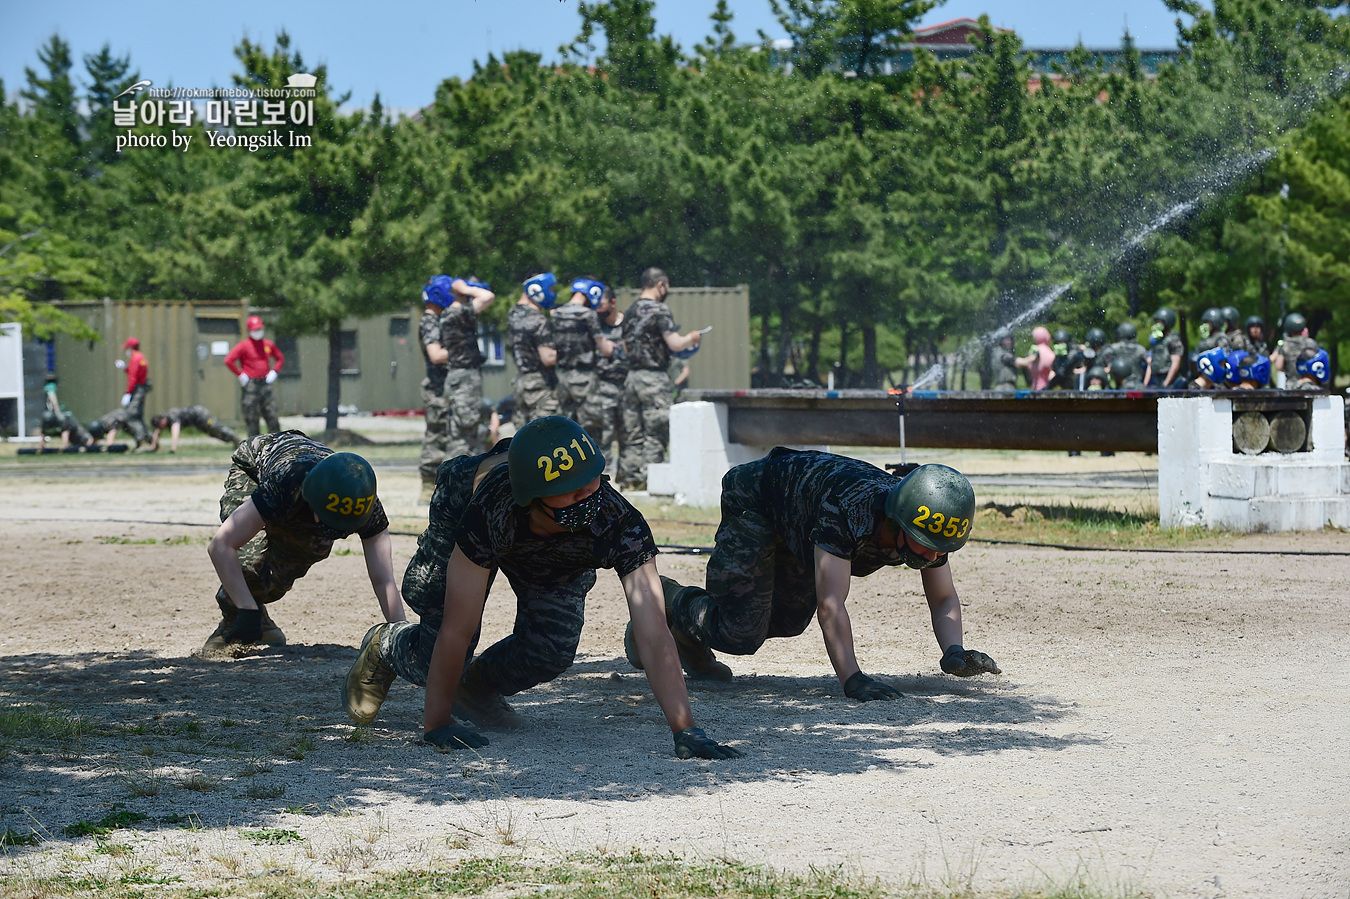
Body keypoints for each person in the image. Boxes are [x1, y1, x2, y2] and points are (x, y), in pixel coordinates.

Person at [341, 416, 741, 760]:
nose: (590, 497)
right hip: (470, 505)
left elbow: (653, 633)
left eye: (594, 483)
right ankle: (387, 644)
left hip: (556, 547)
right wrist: (437, 725)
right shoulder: (490, 511)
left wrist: (686, 729)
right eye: (574, 492)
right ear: (535, 499)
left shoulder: (618, 522)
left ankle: (476, 691)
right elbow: (457, 629)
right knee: (439, 645)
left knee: (550, 648)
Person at [643, 450, 999, 699]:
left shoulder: (926, 530)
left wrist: (954, 651)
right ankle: (666, 600)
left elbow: (943, 597)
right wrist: (853, 679)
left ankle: (682, 633)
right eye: (926, 545)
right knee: (741, 633)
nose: (934, 556)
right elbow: (831, 604)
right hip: (757, 500)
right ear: (899, 521)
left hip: (802, 521)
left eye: (941, 549)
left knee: (788, 621)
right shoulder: (848, 510)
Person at [203, 432, 406, 651]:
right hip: (256, 465)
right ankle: (235, 620)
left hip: (304, 479)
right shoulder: (286, 482)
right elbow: (221, 545)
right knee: (249, 559)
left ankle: (259, 616)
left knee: (303, 554)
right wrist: (245, 610)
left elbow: (384, 580)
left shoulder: (366, 505)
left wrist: (400, 635)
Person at [618, 268, 703, 489]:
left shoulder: (629, 310)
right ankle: (652, 482)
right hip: (654, 379)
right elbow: (675, 344)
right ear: (660, 285)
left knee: (633, 432)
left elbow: (625, 347)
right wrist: (692, 338)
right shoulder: (660, 310)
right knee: (656, 432)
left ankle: (632, 480)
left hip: (632, 378)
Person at [440, 275, 496, 462]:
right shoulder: (457, 313)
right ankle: (461, 477)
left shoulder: (452, 315)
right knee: (466, 435)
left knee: (460, 433)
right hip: (465, 377)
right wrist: (464, 288)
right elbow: (488, 297)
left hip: (459, 376)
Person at [551, 277, 615, 424]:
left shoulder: (557, 314)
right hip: (584, 378)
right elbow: (605, 350)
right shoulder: (588, 315)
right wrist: (610, 346)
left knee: (565, 427)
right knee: (591, 428)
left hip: (561, 377)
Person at [417, 277, 454, 498]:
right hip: (437, 388)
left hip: (445, 387)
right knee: (436, 435)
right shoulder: (430, 321)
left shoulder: (438, 320)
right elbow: (436, 355)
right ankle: (427, 484)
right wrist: (462, 350)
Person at [510, 273, 562, 426]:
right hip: (539, 385)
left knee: (525, 434)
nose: (552, 294)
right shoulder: (539, 320)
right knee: (546, 434)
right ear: (536, 290)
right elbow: (548, 358)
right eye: (550, 289)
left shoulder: (513, 314)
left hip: (520, 381)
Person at [224, 316, 285, 438]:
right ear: (249, 331)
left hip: (265, 384)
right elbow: (229, 360)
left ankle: (277, 446)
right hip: (251, 385)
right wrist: (240, 374)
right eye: (255, 330)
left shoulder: (268, 344)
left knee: (272, 416)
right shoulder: (244, 346)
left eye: (259, 329)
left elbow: (280, 358)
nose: (258, 332)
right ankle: (255, 449)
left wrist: (274, 372)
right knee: (252, 418)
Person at [590, 285, 628, 465]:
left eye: (601, 304)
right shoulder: (595, 326)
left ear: (613, 302)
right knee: (603, 436)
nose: (598, 309)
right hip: (602, 387)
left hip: (627, 386)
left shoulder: (628, 324)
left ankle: (629, 479)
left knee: (628, 433)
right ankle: (603, 477)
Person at [149, 406, 240, 453]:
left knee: (215, 427)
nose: (161, 428)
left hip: (200, 414)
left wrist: (173, 448)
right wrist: (153, 447)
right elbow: (157, 433)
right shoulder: (164, 420)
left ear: (162, 420)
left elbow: (175, 432)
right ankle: (232, 440)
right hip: (197, 422)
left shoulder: (170, 416)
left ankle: (236, 438)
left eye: (161, 425)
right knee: (213, 433)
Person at [38, 375, 93, 450]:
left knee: (44, 430)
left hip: (47, 415)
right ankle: (68, 446)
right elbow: (53, 399)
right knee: (67, 427)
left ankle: (41, 446)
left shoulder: (44, 389)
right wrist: (57, 411)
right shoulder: (51, 387)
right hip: (53, 414)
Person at [115, 337, 151, 447]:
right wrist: (125, 367)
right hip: (141, 387)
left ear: (131, 348)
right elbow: (134, 373)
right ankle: (151, 440)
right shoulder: (141, 357)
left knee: (131, 416)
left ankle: (142, 442)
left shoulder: (135, 358)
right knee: (138, 416)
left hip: (137, 389)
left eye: (127, 348)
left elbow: (133, 378)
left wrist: (128, 393)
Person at [1144, 308, 1186, 388]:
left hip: (1169, 381)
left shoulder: (1174, 340)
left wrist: (1165, 385)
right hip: (1156, 380)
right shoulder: (1157, 341)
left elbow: (1175, 364)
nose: (1157, 324)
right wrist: (1145, 385)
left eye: (1160, 322)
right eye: (1156, 322)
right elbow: (1151, 363)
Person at [1271, 312, 1318, 383]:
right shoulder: (1311, 343)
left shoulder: (1285, 344)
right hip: (1310, 383)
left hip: (1292, 385)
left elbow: (1279, 366)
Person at [1015, 326, 1055, 391]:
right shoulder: (1048, 353)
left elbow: (1025, 366)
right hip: (1046, 388)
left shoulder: (1032, 351)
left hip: (1034, 387)